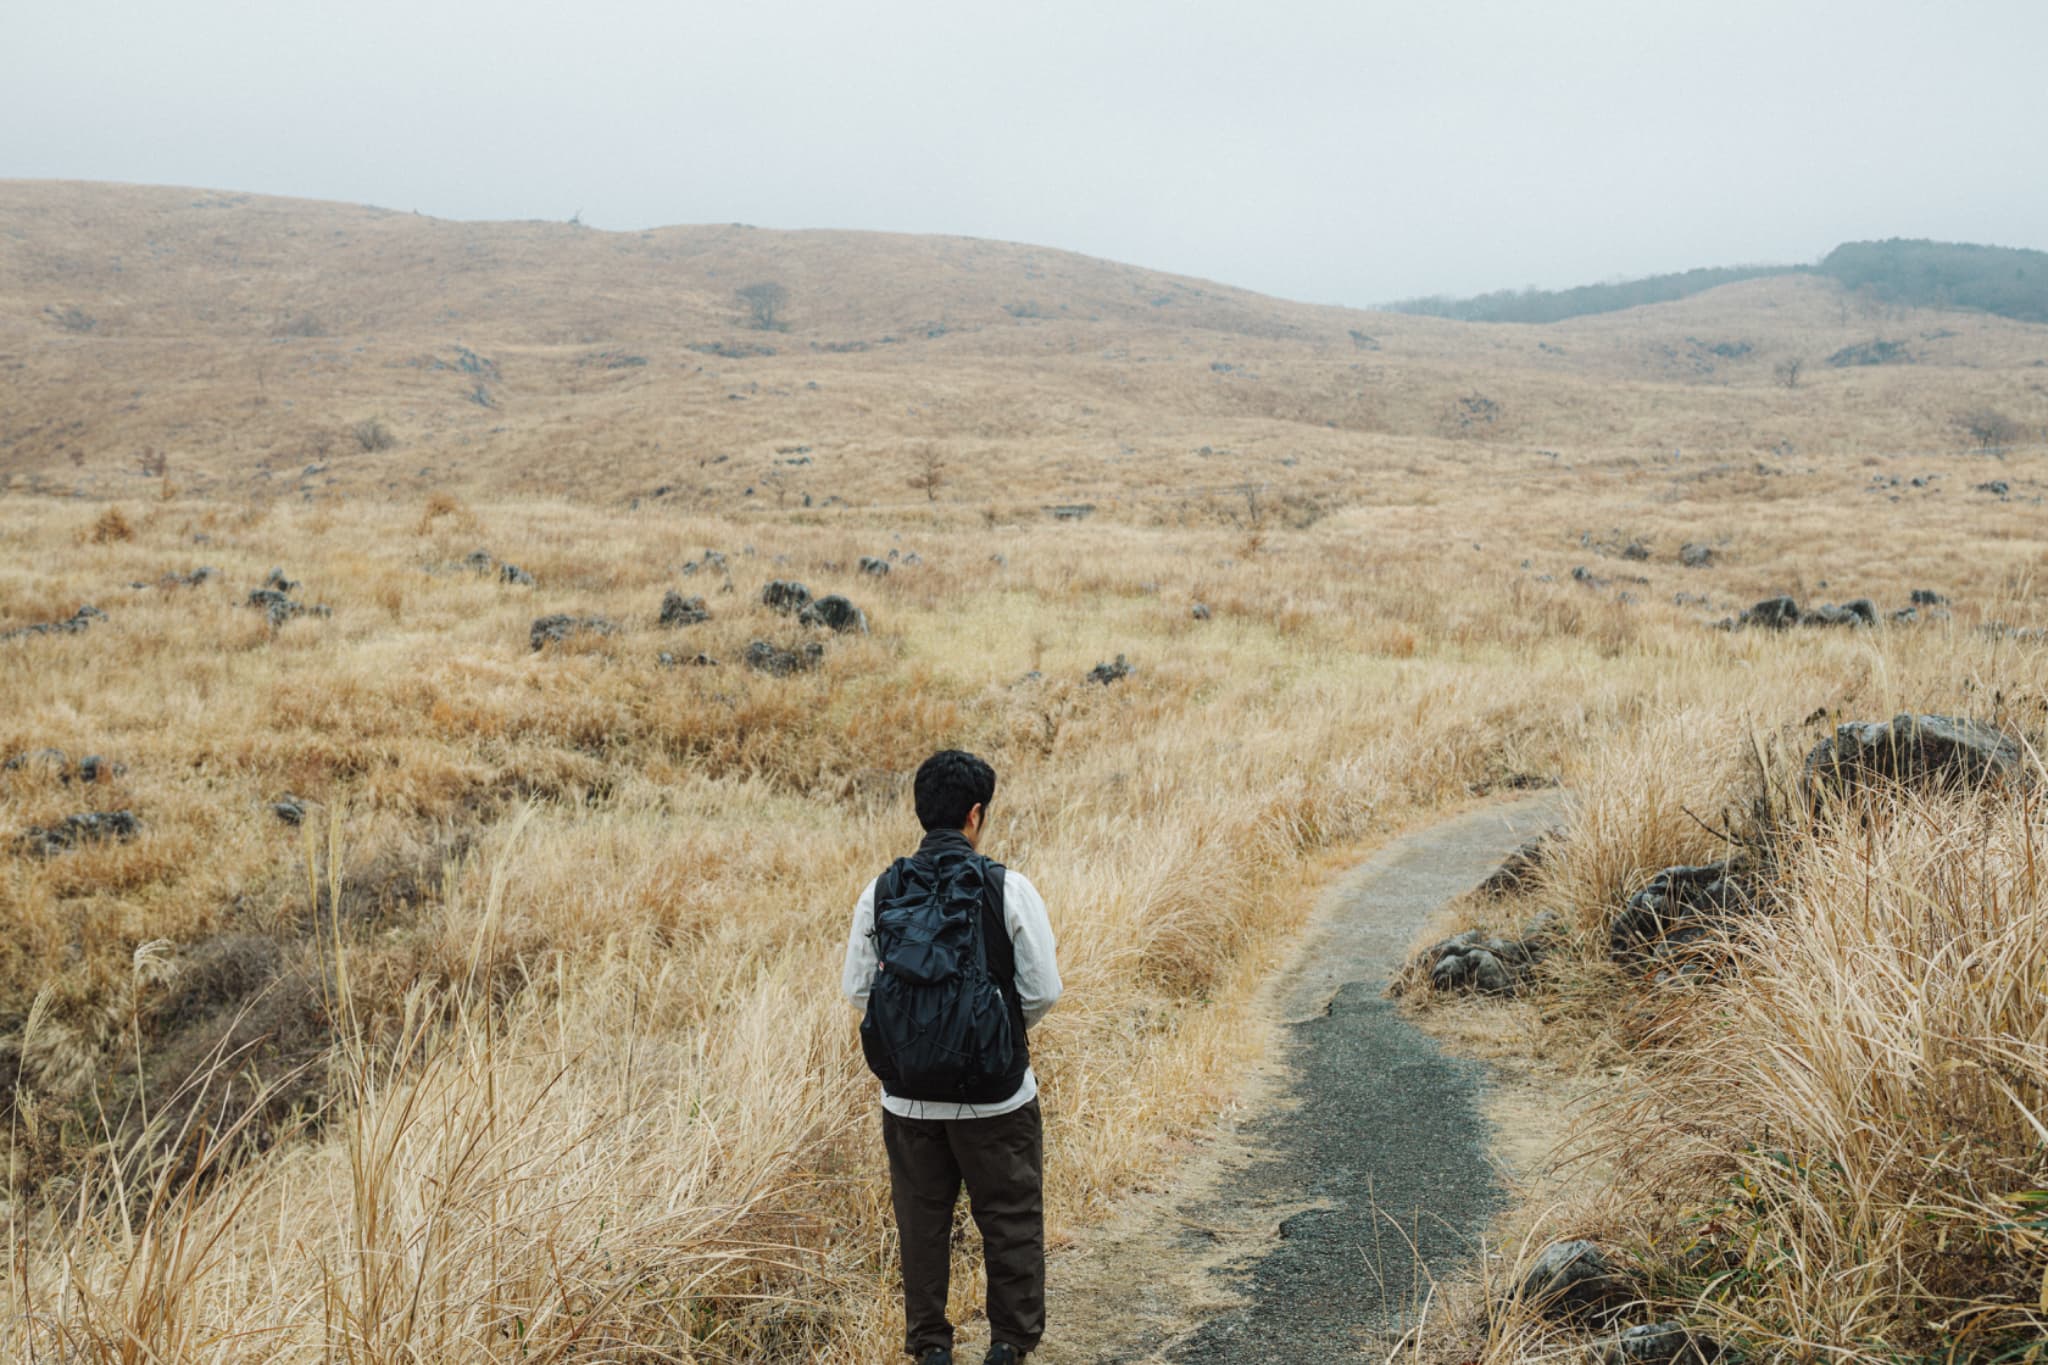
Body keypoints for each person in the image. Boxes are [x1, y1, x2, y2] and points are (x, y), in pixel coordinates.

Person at [842, 749, 1063, 1365]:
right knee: (1010, 1218)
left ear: (921, 812)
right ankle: (1008, 1347)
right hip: (997, 1096)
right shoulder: (1006, 887)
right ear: (975, 814)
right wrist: (995, 1035)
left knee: (922, 1226)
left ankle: (932, 1349)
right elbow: (1044, 989)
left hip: (908, 1098)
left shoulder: (881, 890)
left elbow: (859, 991)